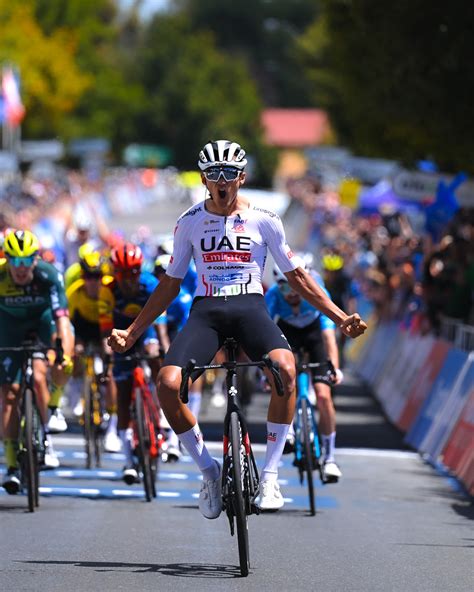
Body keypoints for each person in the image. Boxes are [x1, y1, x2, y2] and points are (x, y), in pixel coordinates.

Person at [108, 139, 367, 517]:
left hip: (250, 307)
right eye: (214, 174)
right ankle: (209, 472)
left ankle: (271, 474)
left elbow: (297, 277)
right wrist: (132, 332)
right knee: (166, 384)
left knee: (286, 370)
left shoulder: (265, 220)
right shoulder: (189, 222)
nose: (222, 180)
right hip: (206, 311)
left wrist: (340, 317)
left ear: (242, 178)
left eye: (229, 173)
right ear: (203, 179)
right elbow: (169, 284)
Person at [0, 230, 74, 493]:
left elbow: (62, 320)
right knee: (9, 395)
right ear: (6, 260)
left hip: (43, 323)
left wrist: (63, 355)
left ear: (34, 260)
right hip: (8, 326)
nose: (19, 269)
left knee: (46, 372)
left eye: (25, 261)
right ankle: (10, 465)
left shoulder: (49, 275)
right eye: (14, 262)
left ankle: (47, 426)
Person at [265, 256, 344, 482]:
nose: (291, 293)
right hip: (287, 333)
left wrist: (334, 369)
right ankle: (287, 430)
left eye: (295, 286)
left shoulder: (318, 292)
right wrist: (266, 373)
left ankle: (329, 458)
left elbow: (329, 336)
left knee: (323, 396)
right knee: (283, 382)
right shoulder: (272, 297)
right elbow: (265, 338)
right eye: (284, 287)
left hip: (314, 334)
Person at [98, 242, 167, 484]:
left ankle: (163, 407)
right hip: (118, 336)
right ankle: (129, 460)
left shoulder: (149, 284)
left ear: (141, 270)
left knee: (155, 351)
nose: (129, 279)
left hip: (144, 331)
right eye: (123, 273)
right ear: (115, 272)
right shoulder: (107, 290)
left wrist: (163, 349)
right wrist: (107, 359)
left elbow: (160, 324)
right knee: (124, 395)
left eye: (134, 272)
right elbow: (105, 329)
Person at [66, 250, 121, 453]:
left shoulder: (109, 290)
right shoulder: (74, 293)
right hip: (82, 327)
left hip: (104, 326)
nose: (92, 281)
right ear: (82, 277)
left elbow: (112, 322)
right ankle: (77, 391)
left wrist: (109, 349)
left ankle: (112, 428)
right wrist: (73, 345)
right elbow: (67, 324)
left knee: (111, 370)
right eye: (88, 277)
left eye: (96, 276)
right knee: (72, 352)